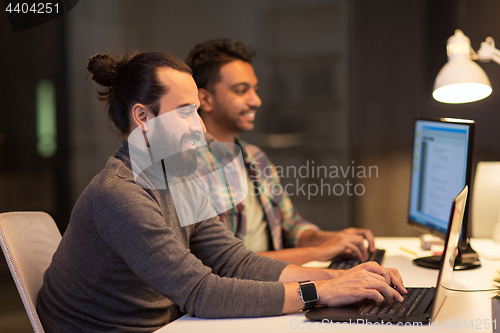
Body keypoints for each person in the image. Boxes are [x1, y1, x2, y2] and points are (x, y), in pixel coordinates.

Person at [36, 51, 406, 332]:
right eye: (184, 112)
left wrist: (339, 278)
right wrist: (321, 292)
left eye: (197, 110)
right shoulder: (119, 195)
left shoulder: (176, 174)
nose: (200, 127)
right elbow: (202, 293)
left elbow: (235, 261)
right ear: (143, 118)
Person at [186, 39, 376, 265]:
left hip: (279, 279)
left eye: (255, 90)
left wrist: (336, 239)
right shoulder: (189, 168)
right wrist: (319, 252)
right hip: (242, 292)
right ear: (205, 99)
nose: (256, 101)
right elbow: (221, 264)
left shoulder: (255, 157)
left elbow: (291, 227)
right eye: (241, 90)